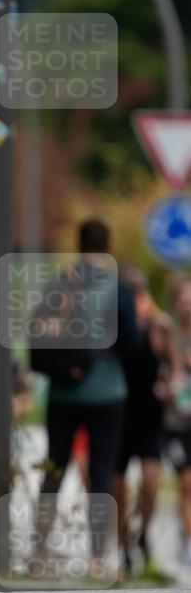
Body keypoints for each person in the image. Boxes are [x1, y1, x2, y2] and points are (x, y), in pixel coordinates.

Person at [32, 219, 142, 571]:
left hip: (63, 392)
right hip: (107, 391)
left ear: (79, 246)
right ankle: (97, 556)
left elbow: (38, 328)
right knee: (101, 472)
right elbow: (132, 344)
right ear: (108, 245)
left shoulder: (61, 282)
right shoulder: (119, 288)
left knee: (54, 468)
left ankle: (38, 550)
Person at [112, 264, 173, 574]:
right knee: (119, 491)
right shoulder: (112, 328)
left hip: (149, 415)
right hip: (119, 415)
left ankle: (144, 533)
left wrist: (171, 383)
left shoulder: (157, 324)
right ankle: (124, 549)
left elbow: (171, 364)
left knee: (150, 484)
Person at [161, 274, 191, 567]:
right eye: (181, 298)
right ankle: (189, 542)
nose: (187, 303)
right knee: (186, 483)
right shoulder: (167, 334)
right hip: (175, 422)